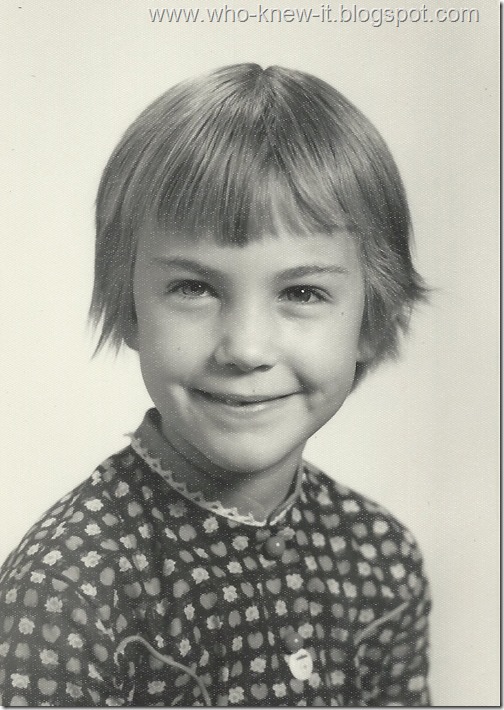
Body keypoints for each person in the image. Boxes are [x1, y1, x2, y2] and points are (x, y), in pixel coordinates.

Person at [0, 64, 431, 707]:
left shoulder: (380, 559)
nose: (246, 349)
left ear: (372, 318)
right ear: (128, 308)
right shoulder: (68, 594)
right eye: (195, 288)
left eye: (302, 293)